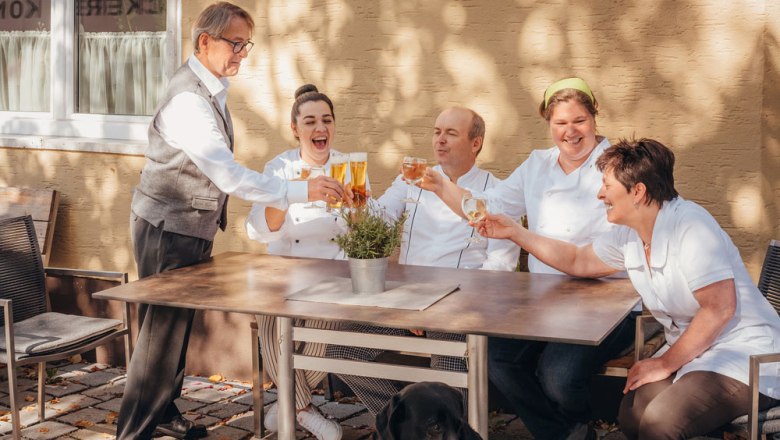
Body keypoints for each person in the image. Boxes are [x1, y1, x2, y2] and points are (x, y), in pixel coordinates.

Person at [117, 4, 346, 439]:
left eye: (246, 44)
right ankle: (133, 431)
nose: (243, 53)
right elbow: (226, 173)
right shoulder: (189, 100)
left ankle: (164, 412)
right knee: (160, 335)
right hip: (166, 228)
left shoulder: (212, 89)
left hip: (189, 228)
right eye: (235, 44)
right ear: (205, 42)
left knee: (177, 328)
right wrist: (300, 190)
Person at [476, 138, 780, 439]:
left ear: (638, 191)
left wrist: (665, 362)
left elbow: (719, 309)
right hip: (695, 353)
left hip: (743, 358)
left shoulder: (691, 228)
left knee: (660, 423)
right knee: (631, 416)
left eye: (607, 186)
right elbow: (577, 259)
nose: (599, 194)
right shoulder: (630, 236)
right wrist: (515, 232)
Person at [421, 78, 636, 440]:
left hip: (609, 300)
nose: (570, 132)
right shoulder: (538, 164)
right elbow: (488, 209)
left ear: (595, 118)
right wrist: (443, 186)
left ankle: (574, 426)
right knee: (494, 357)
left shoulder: (619, 166)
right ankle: (567, 434)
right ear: (549, 124)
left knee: (559, 377)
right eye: (560, 123)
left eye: (579, 121)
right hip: (544, 299)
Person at [326, 106, 521, 416]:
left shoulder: (496, 191)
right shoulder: (412, 179)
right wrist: (356, 205)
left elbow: (499, 269)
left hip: (460, 311)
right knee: (340, 351)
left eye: (451, 133)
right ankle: (402, 423)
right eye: (437, 131)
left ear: (476, 143)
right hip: (405, 303)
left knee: (449, 381)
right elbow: (381, 220)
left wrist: (443, 311)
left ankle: (444, 430)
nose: (439, 141)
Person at [245, 84, 353, 440]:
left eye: (326, 120)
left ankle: (289, 407)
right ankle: (303, 411)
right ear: (296, 129)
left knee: (327, 321)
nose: (319, 128)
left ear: (334, 126)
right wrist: (289, 195)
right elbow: (259, 229)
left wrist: (359, 208)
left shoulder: (349, 167)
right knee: (273, 317)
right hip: (284, 272)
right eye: (310, 121)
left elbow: (364, 232)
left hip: (333, 273)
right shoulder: (279, 169)